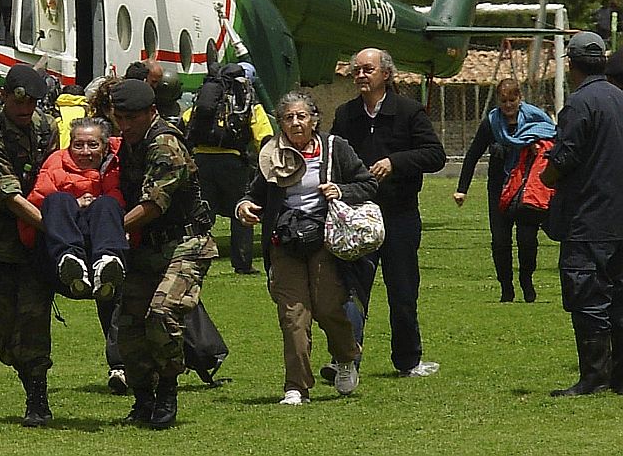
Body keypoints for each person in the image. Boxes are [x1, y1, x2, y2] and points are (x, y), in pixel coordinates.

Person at [237, 91, 373, 404]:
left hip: (324, 238)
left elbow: (367, 183)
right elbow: (253, 192)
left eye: (301, 116)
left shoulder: (334, 147)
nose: (296, 123)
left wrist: (341, 189)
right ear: (280, 123)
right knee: (293, 315)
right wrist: (244, 206)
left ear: (313, 118)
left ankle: (345, 357)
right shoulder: (271, 152)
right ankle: (296, 386)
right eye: (288, 117)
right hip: (284, 242)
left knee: (327, 307)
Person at [329, 48, 446, 378]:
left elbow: (434, 155)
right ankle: (347, 361)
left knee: (403, 293)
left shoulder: (409, 112)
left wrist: (396, 162)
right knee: (351, 293)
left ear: (386, 74)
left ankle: (408, 360)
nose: (362, 76)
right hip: (357, 218)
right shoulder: (345, 114)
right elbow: (333, 157)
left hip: (399, 216)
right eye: (357, 71)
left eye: (368, 70)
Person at [111, 79, 217, 429]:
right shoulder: (127, 145)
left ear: (151, 113)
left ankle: (168, 390)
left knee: (161, 313)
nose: (124, 126)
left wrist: (107, 232)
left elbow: (154, 204)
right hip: (146, 247)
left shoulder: (164, 144)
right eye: (120, 118)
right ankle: (143, 398)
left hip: (185, 243)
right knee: (128, 324)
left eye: (132, 118)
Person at [0, 64, 59, 426]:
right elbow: (6, 194)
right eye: (19, 101)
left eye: (33, 102)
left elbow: (54, 174)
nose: (26, 109)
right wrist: (55, 228)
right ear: (4, 96)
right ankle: (26, 374)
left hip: (33, 243)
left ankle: (37, 397)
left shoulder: (46, 127)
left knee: (35, 320)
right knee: (8, 331)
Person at [539, 31, 623, 396]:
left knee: (587, 296)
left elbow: (564, 158)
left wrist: (545, 173)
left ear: (571, 64)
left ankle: (593, 377)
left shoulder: (579, 104)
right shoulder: (620, 98)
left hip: (588, 218)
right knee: (618, 297)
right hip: (618, 217)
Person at [453, 78, 556, 302]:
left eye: (512, 100)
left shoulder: (536, 118)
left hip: (528, 187)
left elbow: (555, 143)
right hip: (499, 188)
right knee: (500, 241)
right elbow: (472, 155)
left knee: (527, 239)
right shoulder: (492, 122)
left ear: (520, 98)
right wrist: (462, 189)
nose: (508, 105)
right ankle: (506, 288)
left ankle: (526, 282)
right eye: (504, 101)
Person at [21, 116, 128, 299]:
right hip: (58, 244)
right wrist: (74, 205)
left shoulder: (118, 166)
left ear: (105, 147)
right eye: (78, 145)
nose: (85, 152)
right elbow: (35, 205)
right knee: (58, 200)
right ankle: (70, 262)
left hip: (105, 236)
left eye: (93, 145)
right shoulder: (55, 165)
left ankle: (108, 263)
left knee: (107, 204)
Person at [185, 63, 273, 274]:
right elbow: (264, 135)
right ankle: (242, 264)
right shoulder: (247, 100)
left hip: (201, 160)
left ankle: (194, 258)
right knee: (241, 211)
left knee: (202, 211)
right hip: (233, 163)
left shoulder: (205, 98)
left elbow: (187, 121)